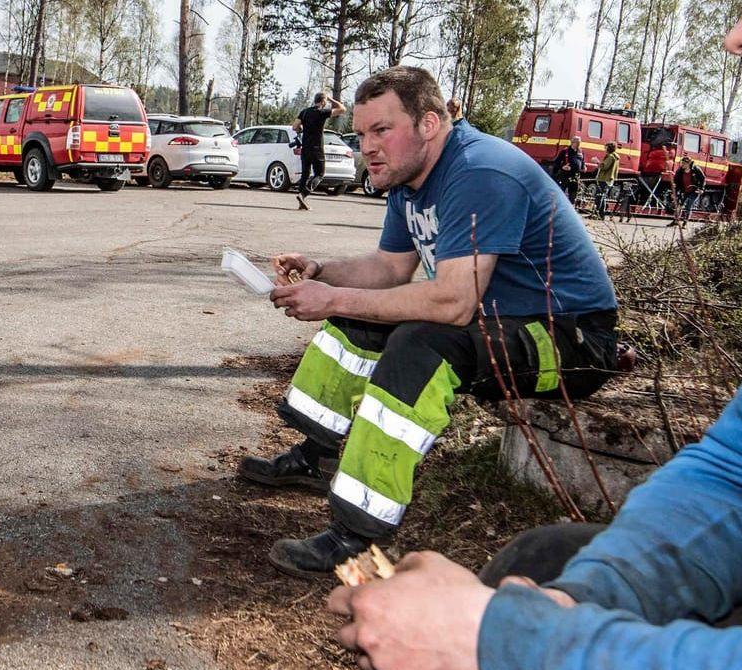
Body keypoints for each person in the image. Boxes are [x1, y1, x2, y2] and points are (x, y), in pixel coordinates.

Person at [329, 1, 742, 670]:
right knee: (548, 565)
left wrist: (537, 650)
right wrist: (573, 609)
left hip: (573, 341)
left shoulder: (484, 169)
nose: (741, 32)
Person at [242, 66, 620, 578]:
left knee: (422, 342)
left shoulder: (480, 171)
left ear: (429, 124)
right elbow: (389, 270)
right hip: (503, 323)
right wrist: (322, 273)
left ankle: (357, 537)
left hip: (571, 341)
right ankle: (317, 456)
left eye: (381, 131)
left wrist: (333, 297)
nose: (367, 147)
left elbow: (453, 305)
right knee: (360, 318)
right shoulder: (408, 178)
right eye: (360, 134)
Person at [291, 91, 347, 211]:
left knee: (305, 174)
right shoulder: (322, 112)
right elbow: (342, 109)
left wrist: (301, 129)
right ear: (322, 102)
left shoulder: (305, 112)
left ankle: (302, 202)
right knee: (320, 174)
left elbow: (295, 126)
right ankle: (303, 194)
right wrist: (331, 99)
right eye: (325, 101)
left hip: (305, 147)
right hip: (317, 148)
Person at [668, 156, 705, 227]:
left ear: (689, 164)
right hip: (684, 190)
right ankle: (675, 221)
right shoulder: (680, 171)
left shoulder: (696, 169)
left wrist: (701, 189)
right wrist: (674, 193)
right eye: (682, 163)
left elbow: (703, 179)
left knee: (689, 205)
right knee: (679, 206)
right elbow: (675, 182)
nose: (682, 165)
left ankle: (685, 223)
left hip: (694, 191)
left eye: (684, 163)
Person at [550, 136, 585, 205]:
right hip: (565, 176)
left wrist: (584, 167)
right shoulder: (565, 151)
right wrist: (563, 167)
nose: (579, 144)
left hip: (576, 177)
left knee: (573, 194)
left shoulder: (581, 152)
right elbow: (556, 163)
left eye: (579, 142)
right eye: (577, 142)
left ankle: (571, 206)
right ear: (572, 142)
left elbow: (582, 161)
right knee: (562, 192)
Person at [593, 141, 621, 220]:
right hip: (609, 179)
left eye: (605, 147)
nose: (604, 148)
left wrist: (597, 162)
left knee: (599, 197)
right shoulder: (616, 157)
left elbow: (604, 166)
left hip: (604, 179)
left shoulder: (610, 157)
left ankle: (598, 214)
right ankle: (601, 215)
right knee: (603, 197)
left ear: (609, 148)